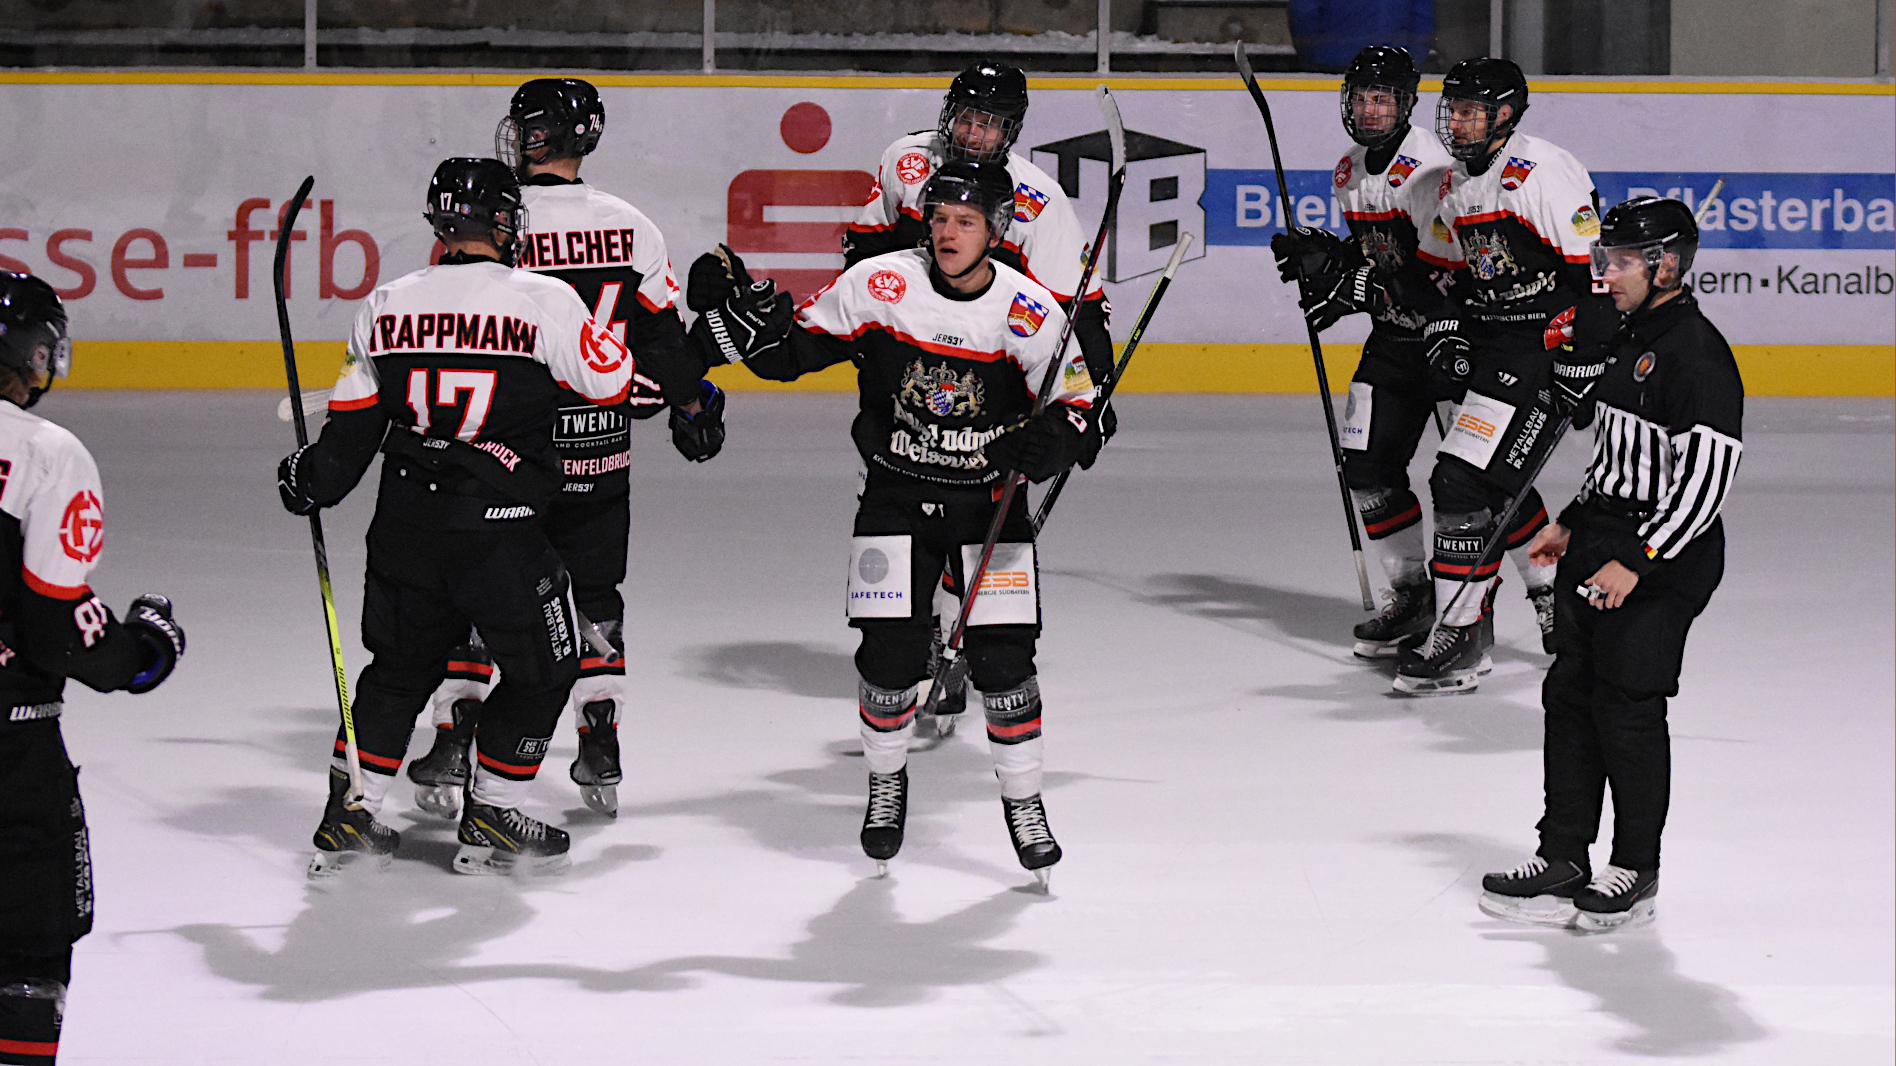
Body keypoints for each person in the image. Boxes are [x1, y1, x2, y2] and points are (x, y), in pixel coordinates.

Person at [688, 161, 1096, 886]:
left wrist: (1052, 442)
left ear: (996, 231)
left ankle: (1025, 801)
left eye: (964, 221)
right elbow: (793, 355)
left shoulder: (1030, 311)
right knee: (888, 660)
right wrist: (739, 322)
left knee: (1005, 662)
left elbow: (1078, 413)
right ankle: (884, 781)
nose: (945, 232)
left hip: (988, 511)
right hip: (895, 502)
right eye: (937, 218)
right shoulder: (878, 284)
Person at [278, 158, 633, 878]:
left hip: (406, 525)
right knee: (547, 669)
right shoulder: (544, 300)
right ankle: (494, 808)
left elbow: (346, 443)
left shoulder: (385, 303)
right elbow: (611, 378)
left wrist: (304, 481)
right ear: (503, 222)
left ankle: (353, 810)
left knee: (397, 671)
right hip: (500, 532)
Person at [406, 78, 724, 821]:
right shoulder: (632, 225)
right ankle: (599, 735)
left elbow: (451, 328)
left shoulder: (494, 217)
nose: (515, 138)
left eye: (524, 127)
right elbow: (660, 341)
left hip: (507, 453)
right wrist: (691, 402)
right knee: (597, 595)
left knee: (477, 590)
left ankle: (457, 731)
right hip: (599, 447)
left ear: (541, 135)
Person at [1480, 197, 1742, 932]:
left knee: (1626, 710)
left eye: (1624, 261)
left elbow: (1705, 481)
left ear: (1667, 266)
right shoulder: (1626, 336)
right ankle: (1563, 853)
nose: (1609, 273)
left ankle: (1635, 867)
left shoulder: (1697, 354)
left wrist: (1642, 558)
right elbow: (1619, 455)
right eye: (1608, 259)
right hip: (1600, 538)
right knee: (1570, 696)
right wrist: (1570, 519)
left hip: (1665, 556)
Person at [845, 60, 1114, 731]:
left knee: (980, 512)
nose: (973, 131)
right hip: (905, 375)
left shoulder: (1039, 203)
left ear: (1012, 130)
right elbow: (867, 251)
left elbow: (1077, 312)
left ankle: (960, 636)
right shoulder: (903, 163)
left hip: (990, 379)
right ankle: (923, 632)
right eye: (965, 115)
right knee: (901, 498)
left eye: (989, 122)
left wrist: (1091, 403)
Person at [0, 274, 185, 1066]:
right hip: (13, 751)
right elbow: (58, 630)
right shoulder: (45, 453)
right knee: (32, 946)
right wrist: (147, 648)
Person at [1394, 56, 1614, 695]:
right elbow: (1443, 276)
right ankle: (1557, 603)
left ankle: (1463, 633)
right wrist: (1443, 328)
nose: (1456, 122)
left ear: (1505, 115)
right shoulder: (1453, 183)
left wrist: (1585, 359)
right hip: (1498, 347)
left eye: (1470, 111)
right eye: (1453, 110)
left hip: (1544, 346)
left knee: (1459, 478)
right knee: (1498, 478)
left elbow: (1596, 275)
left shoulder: (1540, 172)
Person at [1267, 44, 1459, 657]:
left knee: (1482, 480)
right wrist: (1332, 260)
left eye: (1384, 99)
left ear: (1407, 105)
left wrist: (1354, 287)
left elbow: (1441, 271)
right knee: (1367, 469)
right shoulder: (1350, 171)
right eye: (1362, 99)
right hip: (1395, 341)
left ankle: (1543, 598)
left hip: (1450, 339)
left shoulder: (1428, 166)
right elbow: (1382, 263)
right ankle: (1411, 594)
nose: (1371, 111)